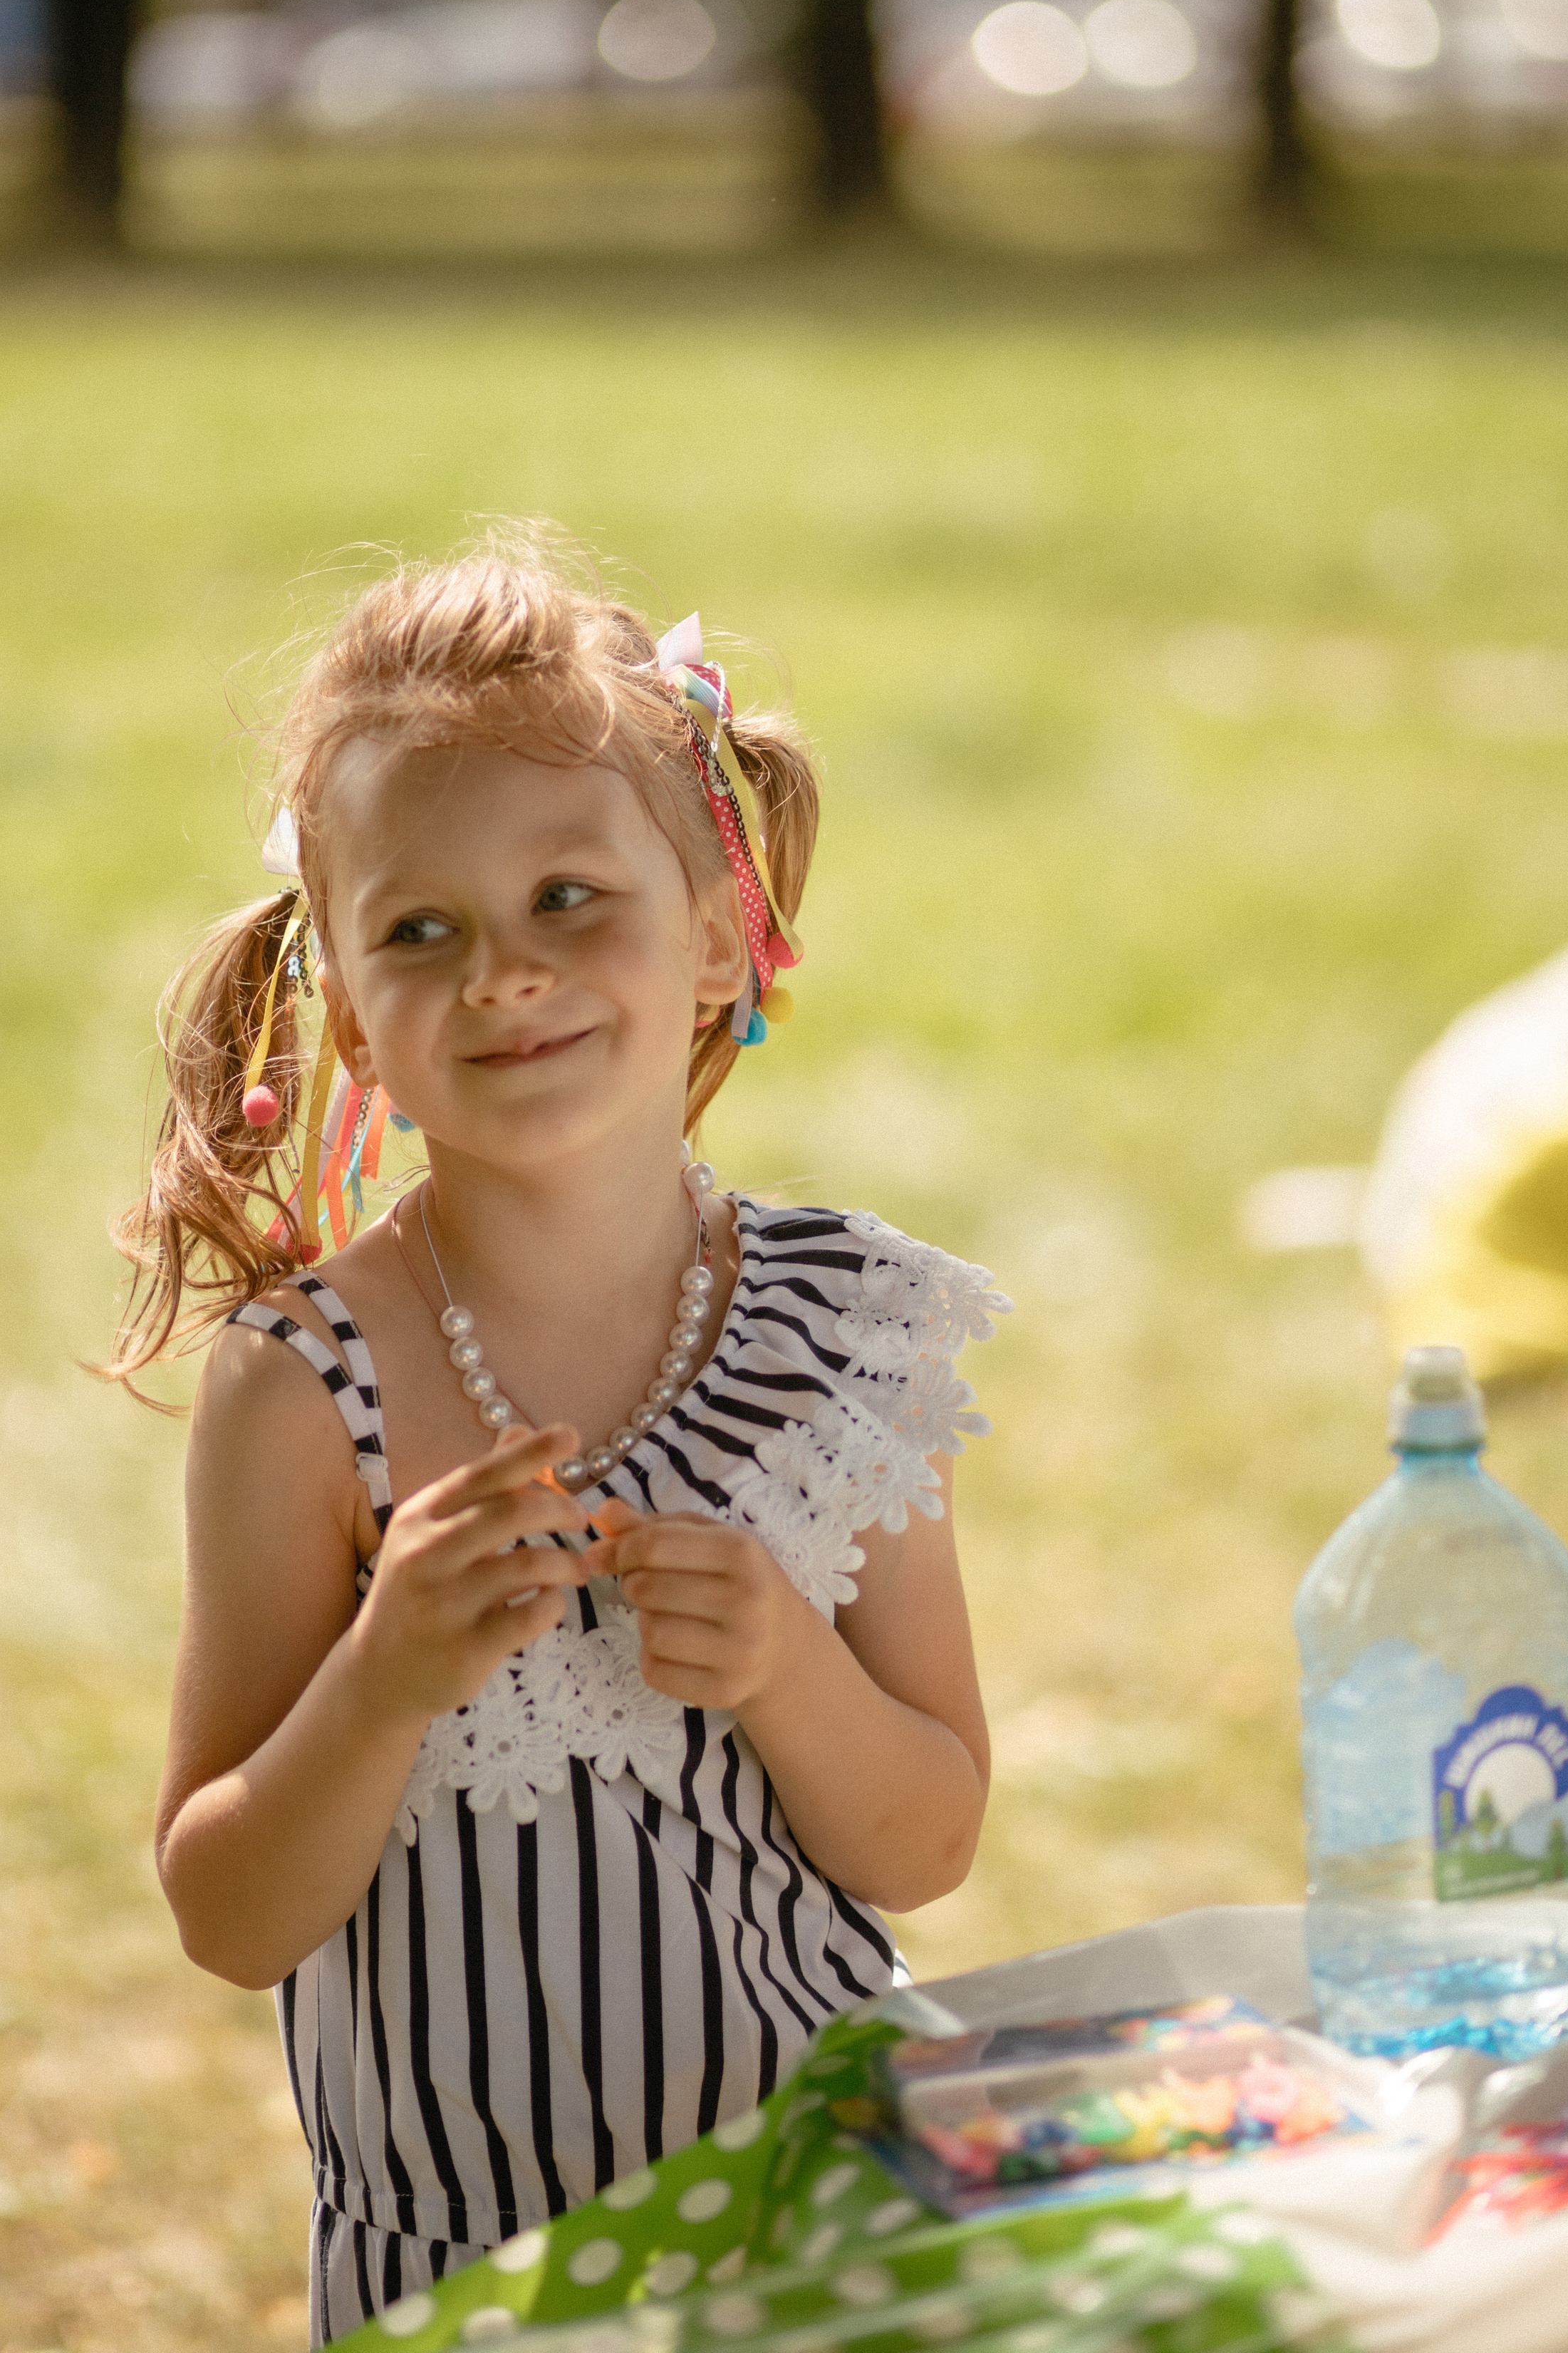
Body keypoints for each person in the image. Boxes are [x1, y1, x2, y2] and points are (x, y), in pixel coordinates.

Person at [110, 537, 1006, 2346]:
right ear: (352, 1019)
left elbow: (926, 1838)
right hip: (465, 2276)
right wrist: (376, 1685)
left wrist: (785, 1673)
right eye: (422, 932)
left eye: (569, 898)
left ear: (719, 938)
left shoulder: (842, 1330)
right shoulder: (304, 1393)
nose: (504, 974)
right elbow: (226, 1913)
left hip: (820, 2229)